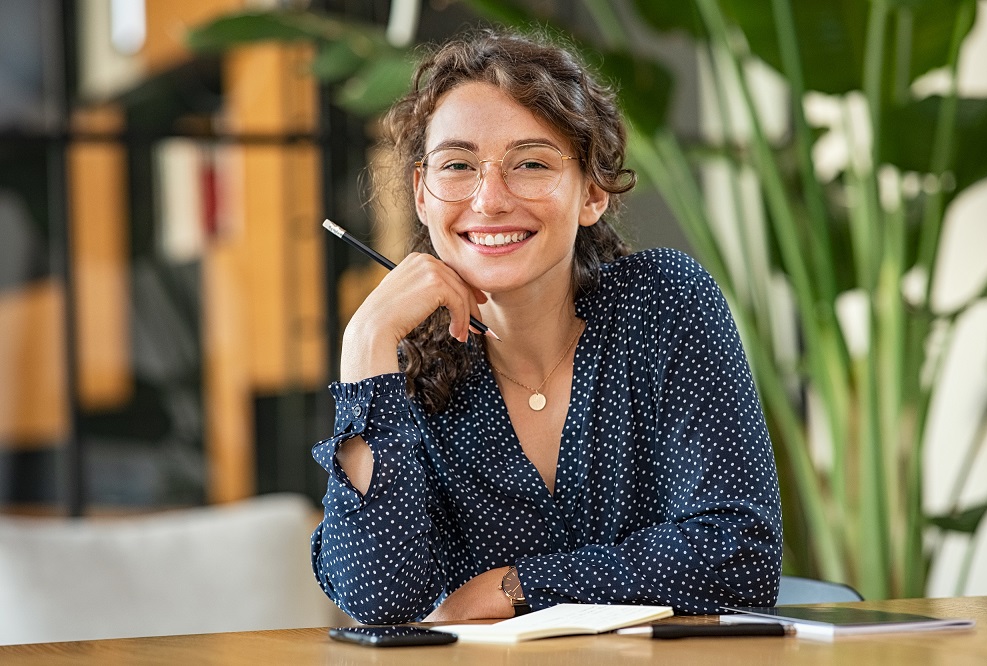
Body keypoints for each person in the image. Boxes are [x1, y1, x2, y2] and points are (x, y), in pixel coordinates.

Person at [310, 29, 782, 625]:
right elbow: (379, 598)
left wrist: (513, 586)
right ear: (423, 196)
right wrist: (364, 342)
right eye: (457, 166)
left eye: (530, 163)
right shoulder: (395, 375)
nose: (489, 200)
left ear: (591, 193)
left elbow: (741, 555)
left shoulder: (662, 303)